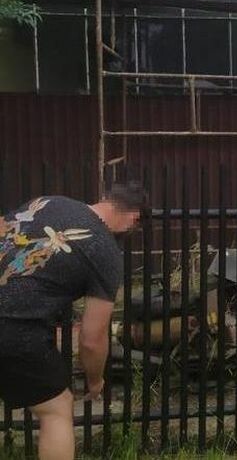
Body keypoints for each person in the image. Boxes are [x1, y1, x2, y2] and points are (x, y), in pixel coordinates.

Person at [0, 183, 146, 460]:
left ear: (106, 198)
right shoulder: (105, 251)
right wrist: (95, 381)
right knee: (57, 409)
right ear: (134, 218)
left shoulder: (48, 201)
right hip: (13, 327)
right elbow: (92, 338)